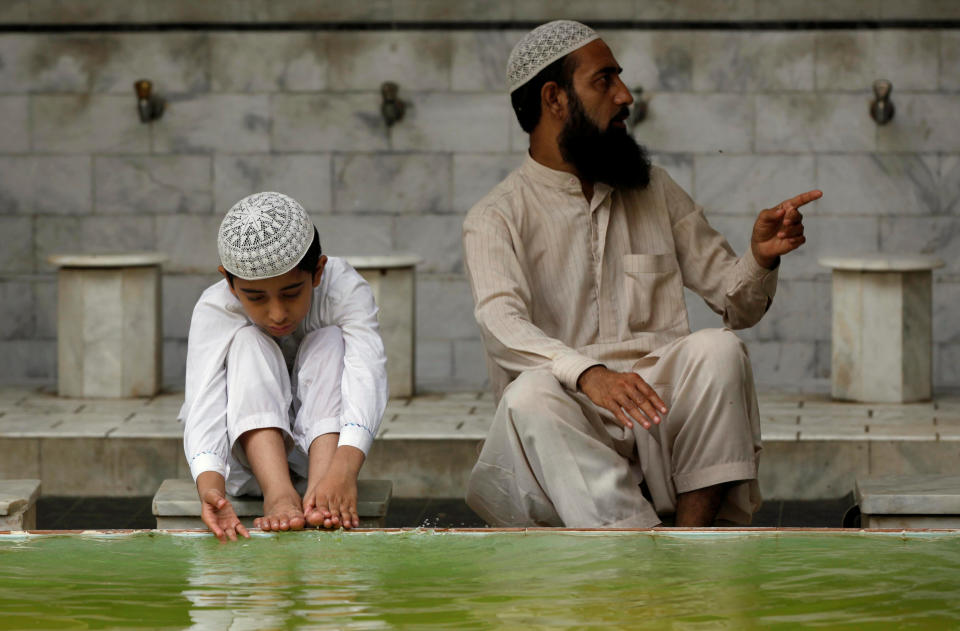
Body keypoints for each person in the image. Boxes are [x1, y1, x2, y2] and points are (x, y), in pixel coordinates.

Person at [462, 20, 822, 528]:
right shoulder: (496, 215)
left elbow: (737, 305)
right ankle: (639, 548)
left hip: (657, 416)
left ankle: (690, 540)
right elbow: (501, 324)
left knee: (719, 350)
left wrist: (761, 258)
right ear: (554, 98)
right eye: (603, 80)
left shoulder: (655, 190)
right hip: (568, 423)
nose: (625, 96)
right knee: (528, 395)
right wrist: (588, 374)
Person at [179, 191, 387, 542]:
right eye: (256, 297)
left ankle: (323, 492)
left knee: (329, 340)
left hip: (329, 462)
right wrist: (210, 487)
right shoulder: (214, 307)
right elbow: (204, 402)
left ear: (317, 272)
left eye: (291, 293)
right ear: (229, 283)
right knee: (248, 342)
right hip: (250, 467)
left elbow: (368, 373)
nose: (277, 314)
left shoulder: (344, 288)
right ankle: (279, 493)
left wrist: (344, 469)